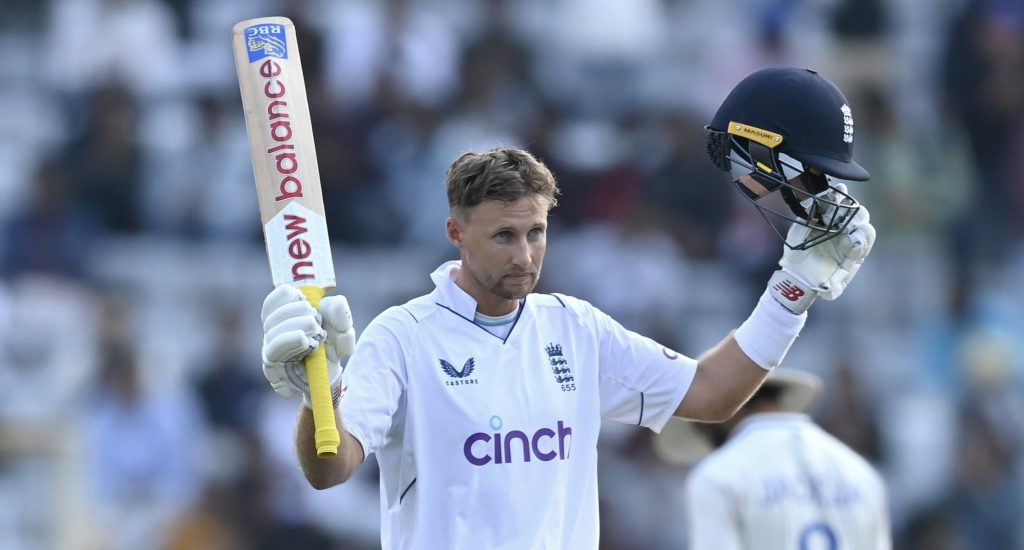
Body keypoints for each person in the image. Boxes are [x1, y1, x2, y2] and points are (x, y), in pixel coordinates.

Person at [257, 66, 877, 548]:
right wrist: (318, 397)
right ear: (455, 233)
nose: (524, 255)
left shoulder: (574, 328)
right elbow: (329, 469)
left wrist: (790, 291)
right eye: (503, 236)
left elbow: (711, 395)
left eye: (537, 233)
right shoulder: (403, 336)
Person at [681, 368, 892, 549]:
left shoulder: (717, 476)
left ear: (726, 404)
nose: (708, 442)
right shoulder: (862, 473)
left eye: (702, 425)